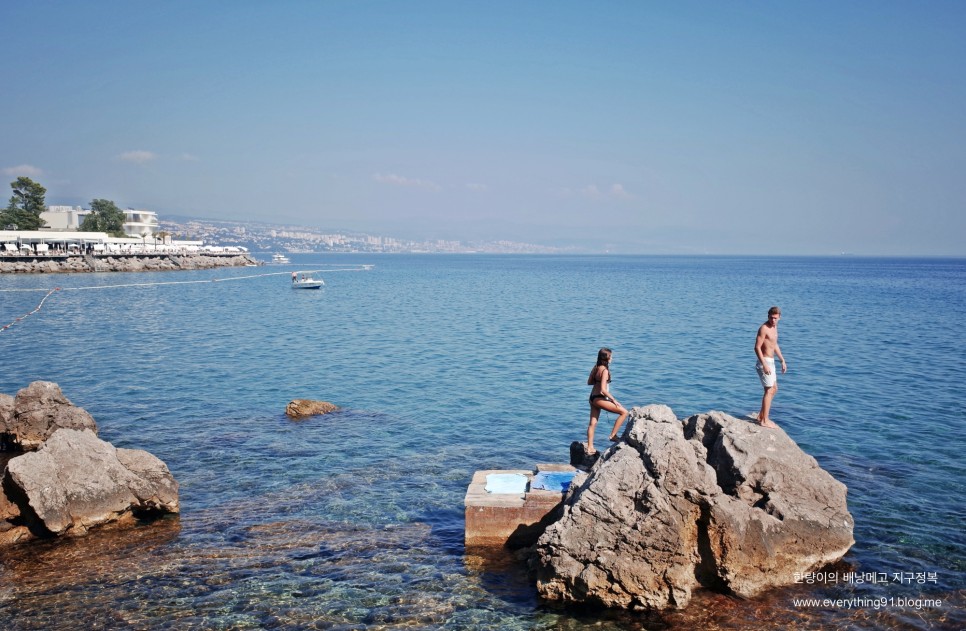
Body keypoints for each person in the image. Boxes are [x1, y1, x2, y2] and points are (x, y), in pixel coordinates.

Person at [586, 347, 628, 455]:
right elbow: (603, 390)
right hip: (600, 398)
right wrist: (614, 400)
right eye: (611, 356)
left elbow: (589, 382)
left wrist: (598, 381)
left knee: (592, 423)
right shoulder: (604, 370)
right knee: (624, 412)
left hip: (592, 397)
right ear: (606, 358)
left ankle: (590, 448)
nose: (612, 358)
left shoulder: (596, 367)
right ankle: (613, 435)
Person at [754, 306, 787, 429]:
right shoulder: (764, 329)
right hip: (764, 362)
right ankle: (764, 420)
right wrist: (764, 365)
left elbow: (774, 344)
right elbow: (757, 347)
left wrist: (782, 360)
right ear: (768, 316)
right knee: (769, 390)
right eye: (771, 318)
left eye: (776, 318)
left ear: (779, 318)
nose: (773, 320)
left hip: (771, 362)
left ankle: (761, 415)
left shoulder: (774, 327)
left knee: (774, 389)